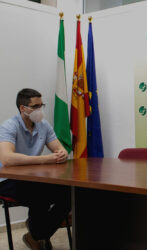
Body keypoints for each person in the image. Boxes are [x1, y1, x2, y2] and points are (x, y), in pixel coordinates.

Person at [0, 88, 71, 250]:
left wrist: (62, 154)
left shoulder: (43, 125)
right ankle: (38, 232)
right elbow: (6, 159)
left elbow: (59, 149)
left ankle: (36, 233)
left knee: (68, 192)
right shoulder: (9, 126)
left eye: (41, 105)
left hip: (33, 178)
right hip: (7, 180)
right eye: (35, 106)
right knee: (41, 194)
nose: (40, 110)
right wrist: (45, 159)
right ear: (23, 108)